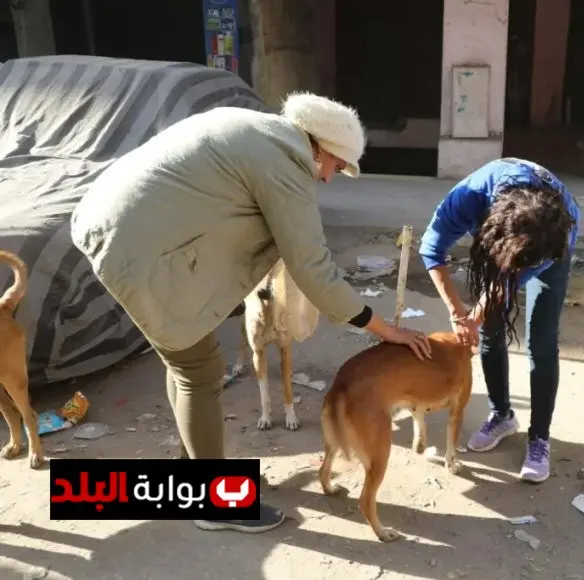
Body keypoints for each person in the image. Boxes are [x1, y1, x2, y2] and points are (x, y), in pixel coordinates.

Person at [70, 93, 432, 533]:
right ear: (319, 147)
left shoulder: (257, 129)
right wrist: (381, 328)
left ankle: (196, 470)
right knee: (198, 369)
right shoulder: (287, 162)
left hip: (115, 219)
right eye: (336, 167)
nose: (331, 179)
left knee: (185, 351)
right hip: (133, 242)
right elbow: (313, 267)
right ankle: (211, 503)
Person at [419, 158, 580, 483]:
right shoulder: (469, 197)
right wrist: (457, 312)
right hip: (504, 236)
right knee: (490, 331)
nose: (519, 270)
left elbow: (506, 282)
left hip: (548, 249)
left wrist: (474, 316)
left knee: (542, 342)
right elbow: (431, 249)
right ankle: (502, 414)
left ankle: (539, 437)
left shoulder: (560, 229)